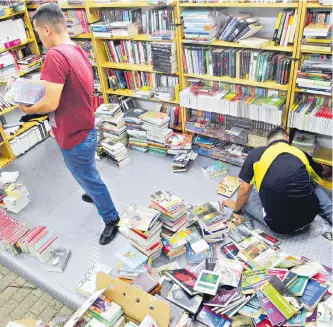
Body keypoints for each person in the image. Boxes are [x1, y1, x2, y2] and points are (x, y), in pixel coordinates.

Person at [18, 3, 119, 245]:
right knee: (87, 172)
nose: (39, 39)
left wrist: (26, 108)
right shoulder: (75, 49)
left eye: (38, 33)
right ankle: (93, 193)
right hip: (86, 127)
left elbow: (51, 103)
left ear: (46, 29)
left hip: (73, 135)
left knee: (88, 176)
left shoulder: (54, 55)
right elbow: (63, 86)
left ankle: (111, 218)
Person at [224, 127, 332, 234]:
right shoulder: (299, 152)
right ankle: (329, 211)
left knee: (247, 192)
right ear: (287, 138)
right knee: (312, 182)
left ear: (268, 142)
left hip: (279, 227)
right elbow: (322, 172)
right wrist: (327, 169)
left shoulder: (255, 154)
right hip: (309, 219)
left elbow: (244, 190)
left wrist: (236, 208)